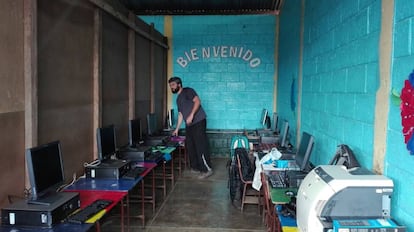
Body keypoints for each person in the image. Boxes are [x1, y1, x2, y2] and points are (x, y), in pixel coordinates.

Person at [168, 76, 213, 179]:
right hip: (190, 125)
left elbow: (198, 101)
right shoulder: (178, 99)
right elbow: (180, 114)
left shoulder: (188, 91)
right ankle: (196, 167)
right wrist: (176, 129)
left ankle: (207, 169)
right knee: (190, 145)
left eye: (173, 85)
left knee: (200, 145)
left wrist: (192, 115)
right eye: (170, 86)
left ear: (179, 84)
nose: (172, 87)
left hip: (198, 121)